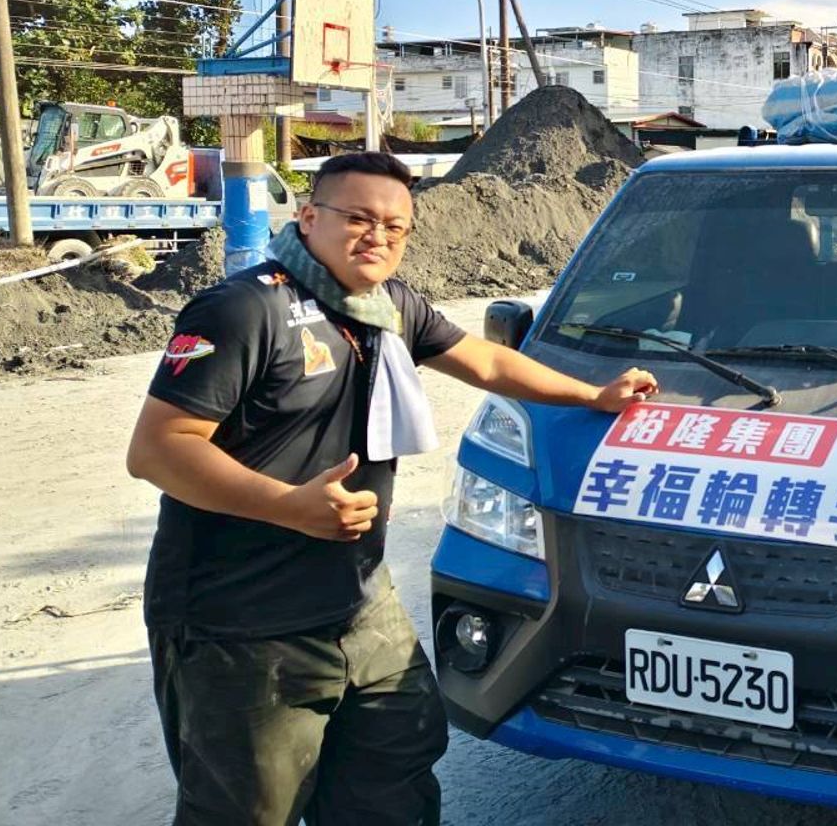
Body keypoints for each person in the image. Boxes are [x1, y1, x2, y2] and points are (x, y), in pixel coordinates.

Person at [127, 151, 658, 825]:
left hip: (356, 600)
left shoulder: (387, 307)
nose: (377, 236)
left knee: (393, 770)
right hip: (241, 621)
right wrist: (288, 506)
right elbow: (157, 450)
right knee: (251, 807)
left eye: (395, 226)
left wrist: (593, 393)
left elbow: (486, 361)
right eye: (358, 218)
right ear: (310, 217)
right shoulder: (244, 311)